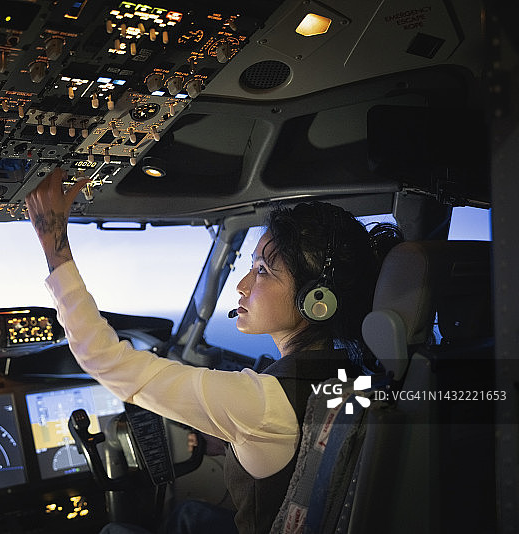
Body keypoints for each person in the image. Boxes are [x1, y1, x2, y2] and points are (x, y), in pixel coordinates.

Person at [25, 168, 402, 534]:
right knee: (188, 515)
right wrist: (233, 443)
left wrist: (54, 245)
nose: (242, 284)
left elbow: (102, 358)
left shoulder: (262, 404)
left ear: (316, 301)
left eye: (263, 271)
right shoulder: (349, 377)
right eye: (251, 266)